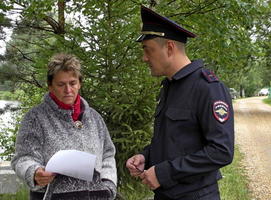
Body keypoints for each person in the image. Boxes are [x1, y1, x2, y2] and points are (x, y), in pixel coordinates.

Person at [126, 6, 234, 200]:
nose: (144, 58)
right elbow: (174, 141)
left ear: (169, 47)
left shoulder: (207, 88)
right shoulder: (169, 86)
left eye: (148, 50)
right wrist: (145, 157)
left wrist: (164, 173)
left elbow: (221, 151)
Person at [11, 53, 117, 200]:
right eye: (61, 84)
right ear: (50, 86)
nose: (68, 90)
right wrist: (34, 172)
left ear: (79, 83)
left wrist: (109, 184)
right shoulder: (35, 118)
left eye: (72, 83)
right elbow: (22, 158)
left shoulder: (94, 118)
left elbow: (108, 154)